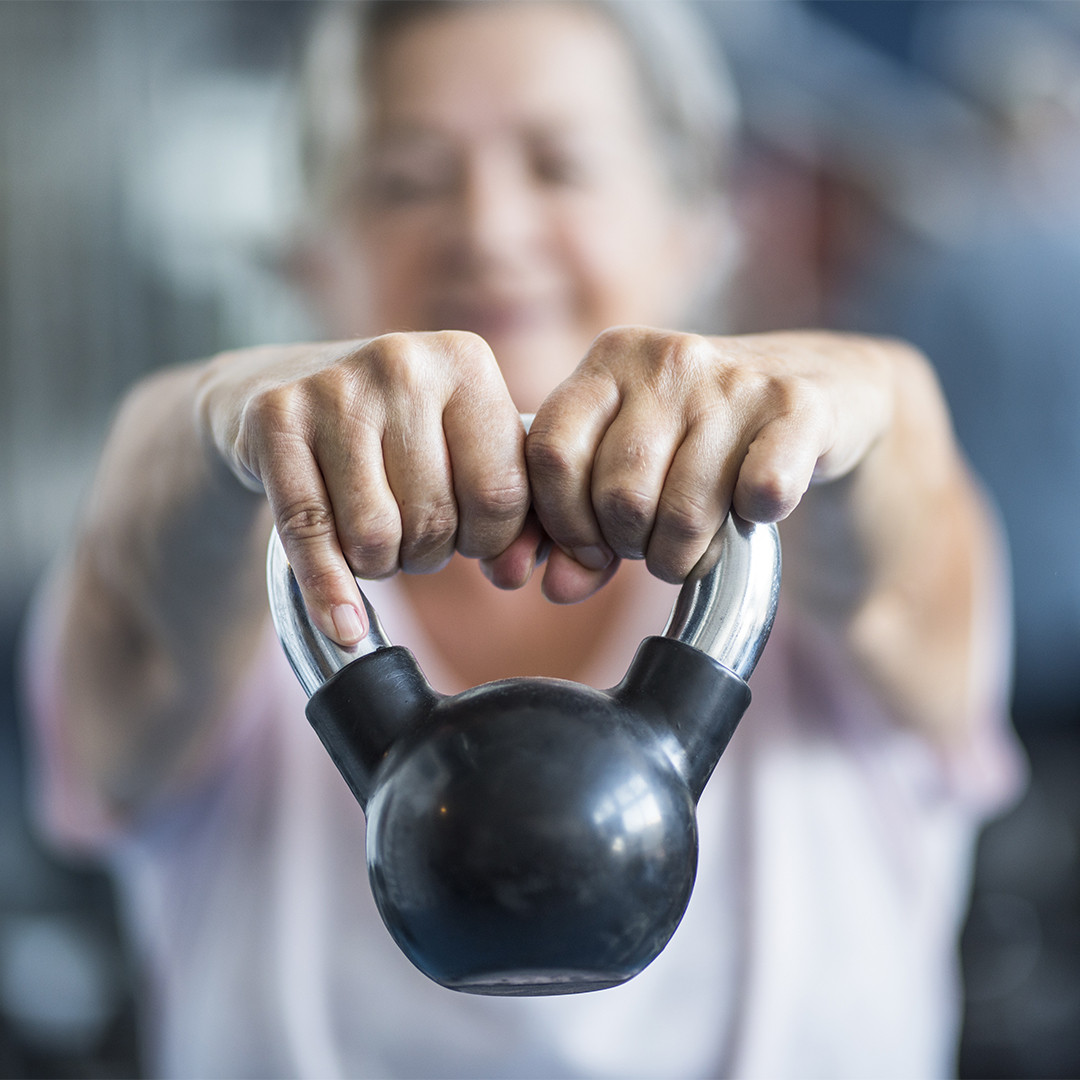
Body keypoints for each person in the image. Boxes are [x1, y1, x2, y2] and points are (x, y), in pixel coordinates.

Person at [22, 2, 1023, 1076]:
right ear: (312, 257)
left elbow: (906, 492)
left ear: (697, 228)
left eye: (561, 165)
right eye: (405, 180)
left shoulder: (824, 544)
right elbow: (141, 586)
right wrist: (223, 408)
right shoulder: (223, 566)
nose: (489, 228)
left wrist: (845, 396)